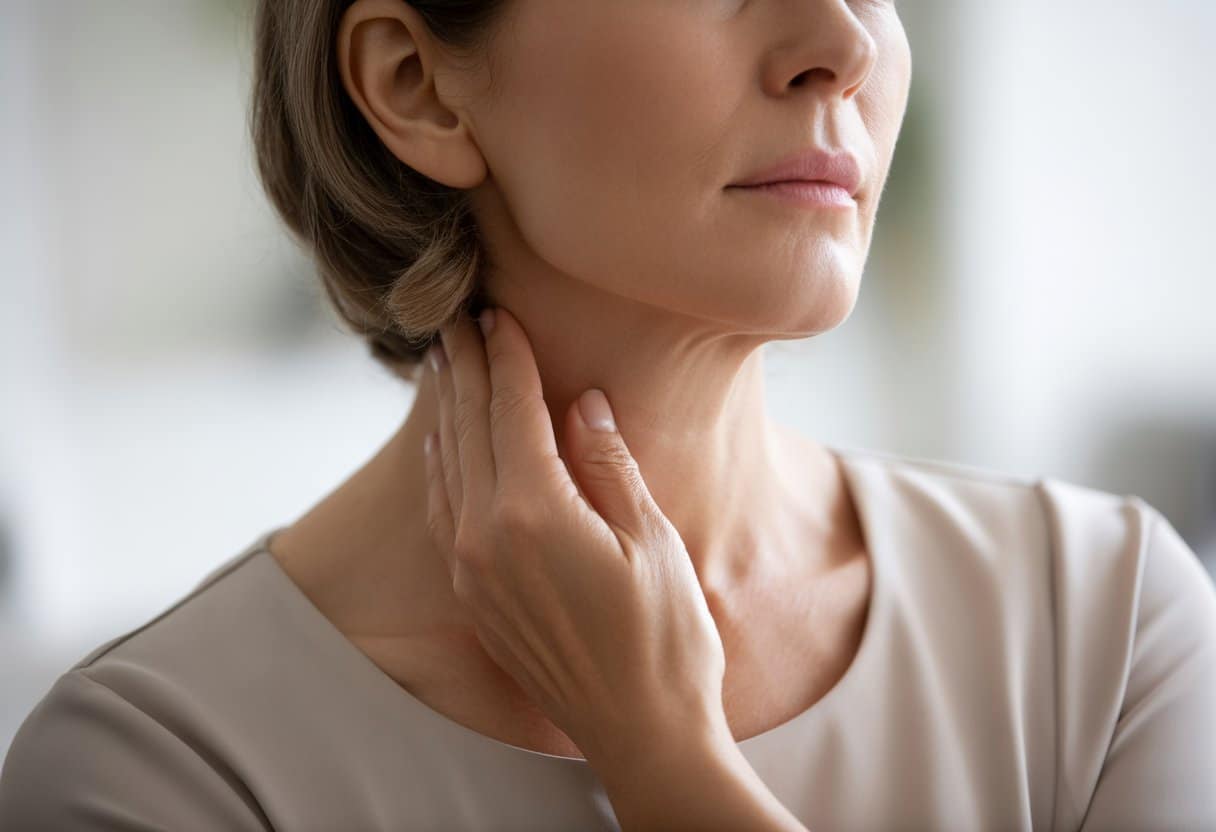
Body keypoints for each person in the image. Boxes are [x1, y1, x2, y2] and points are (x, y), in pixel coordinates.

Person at [3, 0, 1215, 829]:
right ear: (417, 86)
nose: (843, 42)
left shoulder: (1107, 631)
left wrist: (667, 759)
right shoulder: (157, 774)